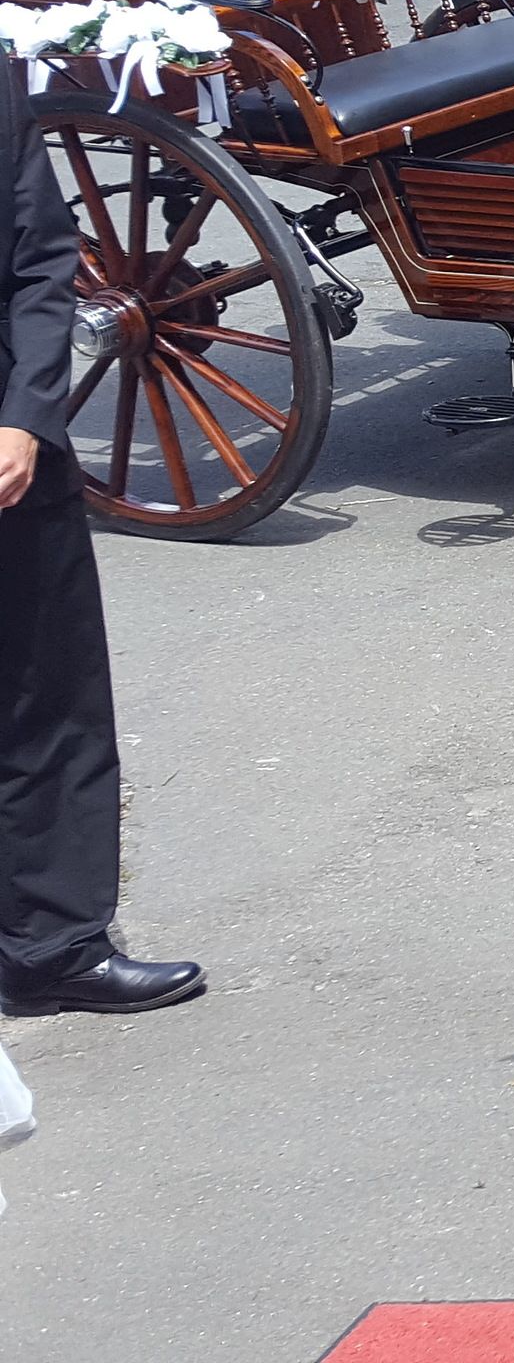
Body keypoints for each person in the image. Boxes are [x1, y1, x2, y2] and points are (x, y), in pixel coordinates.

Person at [0, 74, 204, 1017]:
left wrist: (26, 419)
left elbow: (39, 256)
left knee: (47, 693)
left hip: (8, 450)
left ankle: (54, 948)